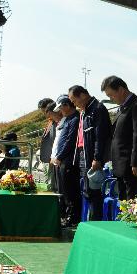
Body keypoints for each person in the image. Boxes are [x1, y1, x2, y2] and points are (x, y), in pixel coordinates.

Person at [102, 76, 137, 200]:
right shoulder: (122, 107)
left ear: (120, 89)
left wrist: (136, 163)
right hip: (122, 167)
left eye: (111, 95)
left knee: (133, 205)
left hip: (133, 168)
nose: (111, 99)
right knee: (124, 204)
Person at [68, 85, 111, 221]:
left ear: (82, 95)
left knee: (94, 192)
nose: (73, 104)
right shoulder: (84, 111)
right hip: (84, 155)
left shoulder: (97, 109)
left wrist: (97, 158)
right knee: (87, 191)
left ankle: (95, 223)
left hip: (92, 158)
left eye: (74, 100)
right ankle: (90, 220)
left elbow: (100, 136)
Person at [52, 95, 81, 226]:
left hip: (68, 160)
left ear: (67, 105)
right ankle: (67, 216)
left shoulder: (75, 119)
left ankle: (72, 218)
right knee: (63, 190)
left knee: (70, 191)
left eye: (61, 107)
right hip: (62, 160)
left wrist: (60, 156)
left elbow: (70, 141)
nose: (60, 111)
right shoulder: (67, 119)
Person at [37, 98, 58, 193]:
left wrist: (52, 156)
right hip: (48, 158)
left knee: (54, 184)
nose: (44, 114)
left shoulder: (57, 121)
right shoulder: (50, 121)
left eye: (45, 111)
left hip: (54, 158)